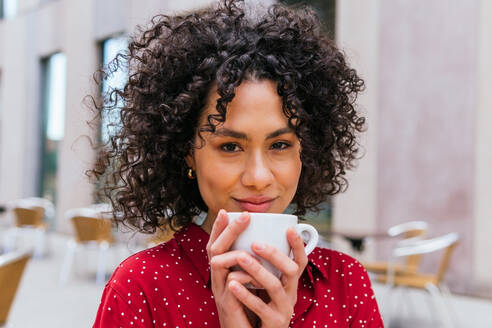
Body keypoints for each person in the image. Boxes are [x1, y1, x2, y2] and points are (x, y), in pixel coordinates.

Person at [91, 0, 384, 327]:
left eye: (280, 145)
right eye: (230, 146)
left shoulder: (345, 283)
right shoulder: (141, 288)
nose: (258, 177)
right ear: (188, 151)